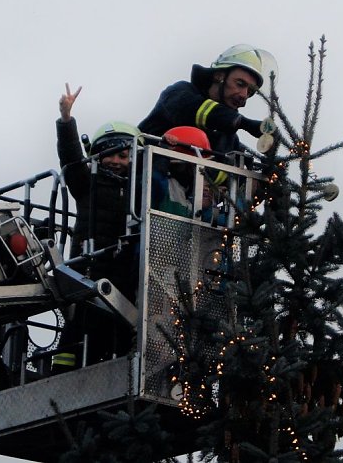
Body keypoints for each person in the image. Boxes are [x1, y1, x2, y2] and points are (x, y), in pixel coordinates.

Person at [51, 84, 140, 373]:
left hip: (124, 272)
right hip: (90, 269)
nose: (115, 161)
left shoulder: (142, 190)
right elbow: (70, 157)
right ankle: (60, 376)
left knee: (119, 331)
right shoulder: (88, 183)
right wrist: (66, 120)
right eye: (108, 155)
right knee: (79, 329)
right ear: (96, 158)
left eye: (123, 155)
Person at [138, 44, 277, 157]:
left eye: (250, 92)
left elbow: (228, 176)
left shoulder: (229, 138)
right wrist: (244, 123)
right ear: (219, 76)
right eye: (240, 84)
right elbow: (200, 110)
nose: (244, 95)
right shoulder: (178, 93)